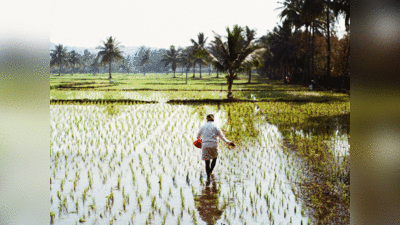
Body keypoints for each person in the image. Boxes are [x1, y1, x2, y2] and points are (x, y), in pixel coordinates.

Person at [197, 114, 235, 180]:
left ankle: (208, 176)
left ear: (207, 119)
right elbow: (222, 137)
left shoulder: (203, 127)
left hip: (205, 145)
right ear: (213, 119)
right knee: (214, 158)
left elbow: (198, 136)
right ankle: (211, 171)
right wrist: (229, 142)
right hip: (214, 145)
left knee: (207, 162)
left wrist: (201, 141)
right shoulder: (216, 126)